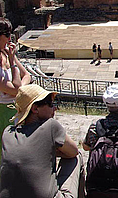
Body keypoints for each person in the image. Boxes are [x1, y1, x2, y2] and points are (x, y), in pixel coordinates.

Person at [0, 84, 84, 198]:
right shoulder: (50, 126)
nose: (55, 108)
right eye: (50, 104)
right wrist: (51, 151)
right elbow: (73, 151)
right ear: (35, 109)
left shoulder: (7, 133)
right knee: (77, 157)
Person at [0, 17, 31, 157]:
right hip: (3, 112)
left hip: (17, 108)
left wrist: (19, 88)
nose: (10, 38)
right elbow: (16, 88)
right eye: (7, 34)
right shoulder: (9, 56)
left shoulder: (7, 52)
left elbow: (27, 76)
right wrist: (12, 63)